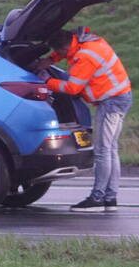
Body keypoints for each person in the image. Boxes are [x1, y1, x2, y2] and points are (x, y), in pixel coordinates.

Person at [36, 27, 132, 212]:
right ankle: (110, 199)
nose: (59, 55)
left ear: (64, 47)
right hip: (119, 97)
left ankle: (97, 199)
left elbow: (73, 88)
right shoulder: (88, 42)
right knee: (111, 150)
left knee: (103, 151)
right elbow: (65, 53)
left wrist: (46, 81)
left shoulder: (85, 57)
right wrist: (50, 60)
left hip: (111, 102)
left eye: (59, 52)